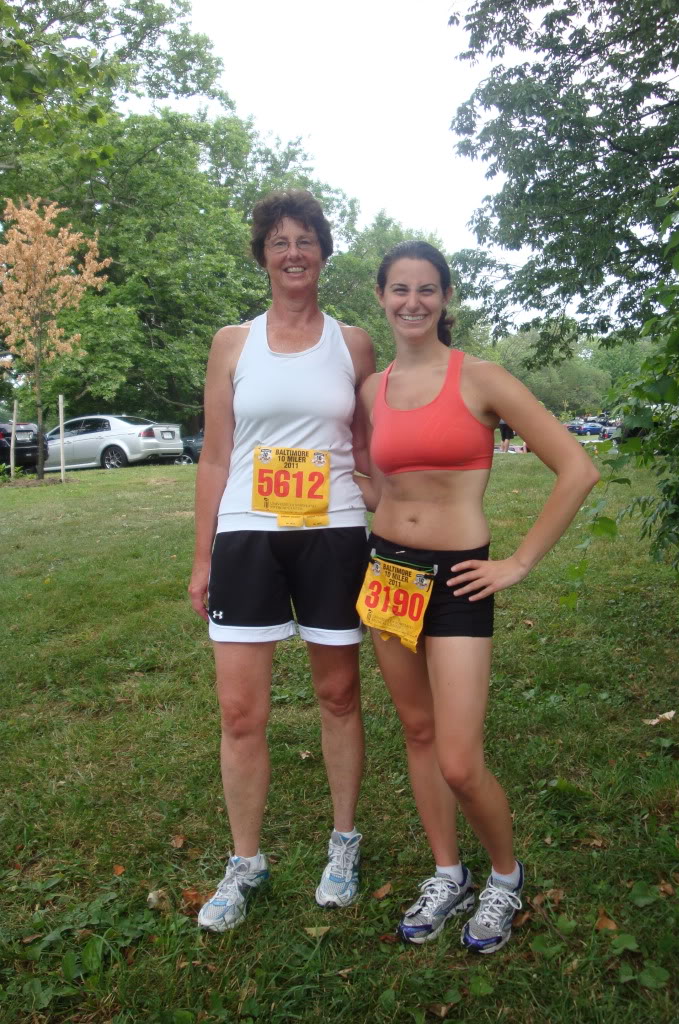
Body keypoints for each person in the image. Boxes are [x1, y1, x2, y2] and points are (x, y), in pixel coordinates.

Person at [358, 241, 599, 954]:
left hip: (459, 578)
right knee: (418, 733)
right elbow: (387, 482)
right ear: (380, 297)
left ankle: (503, 874)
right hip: (388, 576)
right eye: (399, 289)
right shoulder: (373, 388)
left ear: (445, 298)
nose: (412, 302)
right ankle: (447, 872)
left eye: (426, 289)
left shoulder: (482, 378)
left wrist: (518, 562)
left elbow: (577, 469)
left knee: (459, 759)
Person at [188, 189, 375, 932]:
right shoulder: (232, 343)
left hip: (334, 531)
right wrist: (201, 557)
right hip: (246, 532)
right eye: (279, 242)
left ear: (324, 253)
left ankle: (343, 842)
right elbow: (216, 456)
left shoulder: (354, 342)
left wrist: (394, 520)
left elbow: (367, 448)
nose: (293, 252)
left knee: (337, 695)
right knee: (240, 711)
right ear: (263, 256)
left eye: (306, 240)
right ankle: (246, 861)